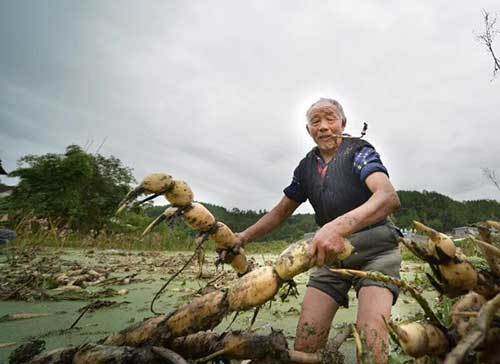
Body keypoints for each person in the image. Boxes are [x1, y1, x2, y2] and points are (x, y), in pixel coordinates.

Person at [234, 98, 402, 363]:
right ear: (308, 130)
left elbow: (387, 197)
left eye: (330, 119)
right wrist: (242, 237)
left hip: (376, 254)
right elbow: (280, 213)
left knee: (371, 347)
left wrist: (336, 227)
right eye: (316, 121)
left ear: (343, 123)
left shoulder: (359, 152)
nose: (323, 127)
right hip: (330, 256)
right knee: (306, 342)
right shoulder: (306, 168)